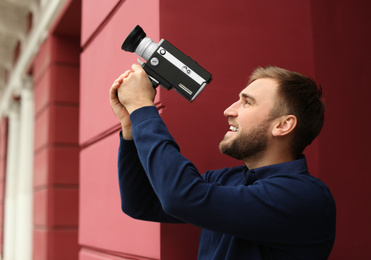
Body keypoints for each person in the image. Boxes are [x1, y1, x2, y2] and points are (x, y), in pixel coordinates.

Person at [109, 64, 336, 260]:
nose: (229, 110)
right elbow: (140, 203)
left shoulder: (305, 197)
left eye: (247, 103)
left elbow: (181, 197)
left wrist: (143, 108)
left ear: (283, 125)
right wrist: (130, 128)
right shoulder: (227, 180)